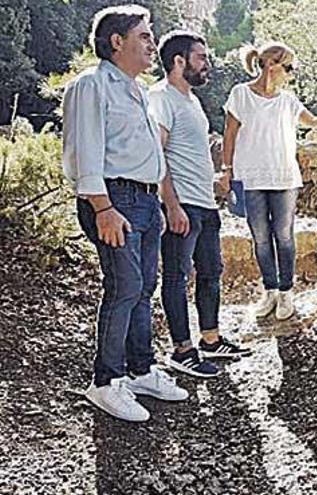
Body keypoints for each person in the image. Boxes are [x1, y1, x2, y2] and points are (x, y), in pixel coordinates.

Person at [62, 5, 188, 423]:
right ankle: (105, 381)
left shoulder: (136, 90)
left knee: (143, 286)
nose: (153, 43)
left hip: (145, 201)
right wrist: (103, 208)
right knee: (125, 284)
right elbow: (85, 151)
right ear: (117, 41)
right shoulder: (92, 85)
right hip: (114, 200)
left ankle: (139, 370)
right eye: (145, 36)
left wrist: (165, 203)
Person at [149, 31, 252, 379]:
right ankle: (182, 350)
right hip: (181, 206)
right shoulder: (160, 98)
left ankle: (210, 340)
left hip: (204, 203)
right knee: (177, 277)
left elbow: (188, 154)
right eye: (201, 57)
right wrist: (172, 205)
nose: (207, 64)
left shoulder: (191, 99)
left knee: (211, 271)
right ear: (179, 61)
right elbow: (157, 154)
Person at [221, 43, 317, 320]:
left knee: (283, 235)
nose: (291, 74)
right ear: (271, 65)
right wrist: (226, 170)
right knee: (260, 238)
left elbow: (314, 122)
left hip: (284, 178)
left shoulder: (288, 100)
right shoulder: (240, 94)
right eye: (289, 67)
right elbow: (229, 135)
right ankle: (269, 291)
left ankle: (286, 293)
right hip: (250, 178)